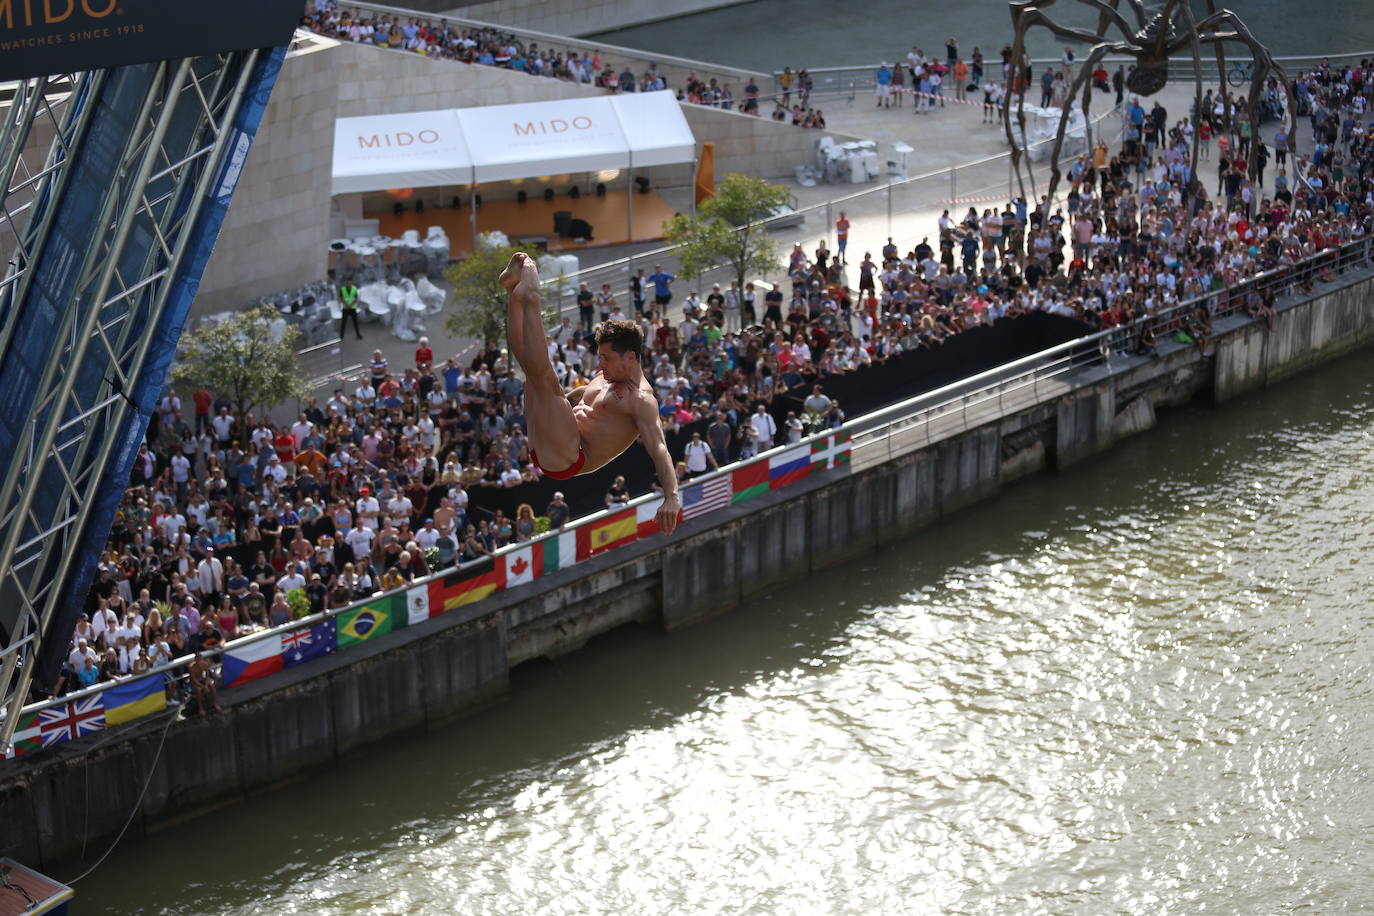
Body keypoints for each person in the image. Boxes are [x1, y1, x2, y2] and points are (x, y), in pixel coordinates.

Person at [499, 252, 680, 534]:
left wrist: (671, 496)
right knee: (531, 374)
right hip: (549, 441)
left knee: (545, 378)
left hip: (570, 457)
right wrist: (563, 403)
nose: (601, 364)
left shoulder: (640, 399)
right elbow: (578, 400)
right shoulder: (606, 375)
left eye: (607, 358)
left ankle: (531, 297)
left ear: (630, 357)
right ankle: (513, 292)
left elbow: (659, 448)